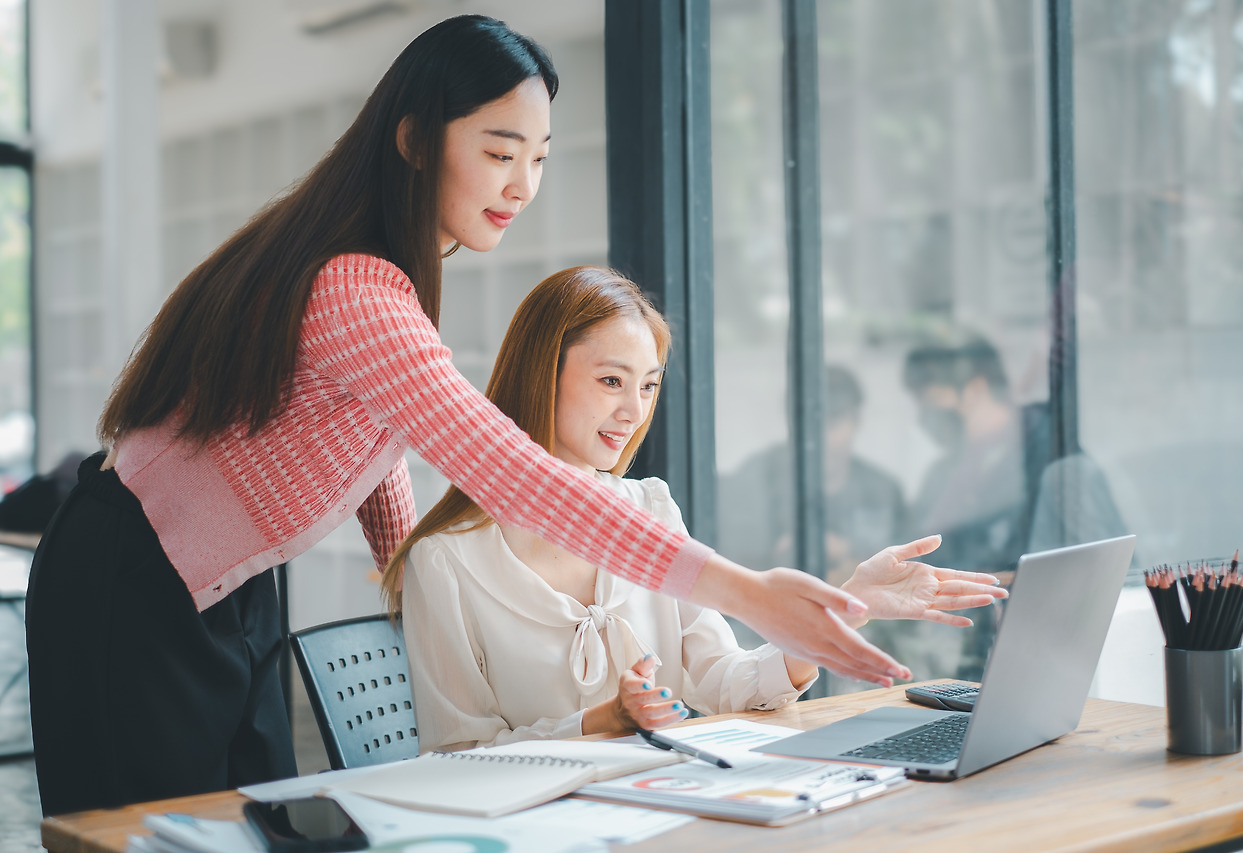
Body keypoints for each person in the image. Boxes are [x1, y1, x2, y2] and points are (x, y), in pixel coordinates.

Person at [23, 15, 926, 816]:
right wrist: (746, 589)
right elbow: (515, 474)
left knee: (242, 827)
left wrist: (406, 574)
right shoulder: (355, 284)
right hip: (133, 576)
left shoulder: (383, 278)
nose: (522, 183)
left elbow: (373, 453)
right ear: (415, 139)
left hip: (230, 580)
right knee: (142, 838)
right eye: (500, 152)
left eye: (537, 157)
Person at [381, 267, 1007, 751]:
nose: (633, 411)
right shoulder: (446, 560)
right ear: (542, 372)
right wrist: (601, 721)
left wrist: (843, 609)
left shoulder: (650, 510)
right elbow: (458, 757)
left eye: (648, 384)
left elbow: (728, 682)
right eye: (610, 381)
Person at [901, 335, 1127, 680]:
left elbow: (1099, 575)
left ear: (974, 389)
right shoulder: (945, 474)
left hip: (1035, 661)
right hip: (958, 660)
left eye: (931, 401)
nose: (926, 417)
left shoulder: (1052, 461)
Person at [718, 365, 909, 588]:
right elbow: (725, 563)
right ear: (791, 421)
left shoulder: (883, 491)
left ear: (856, 420)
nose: (820, 437)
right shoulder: (754, 480)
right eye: (809, 424)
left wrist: (850, 557)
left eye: (832, 423)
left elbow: (910, 563)